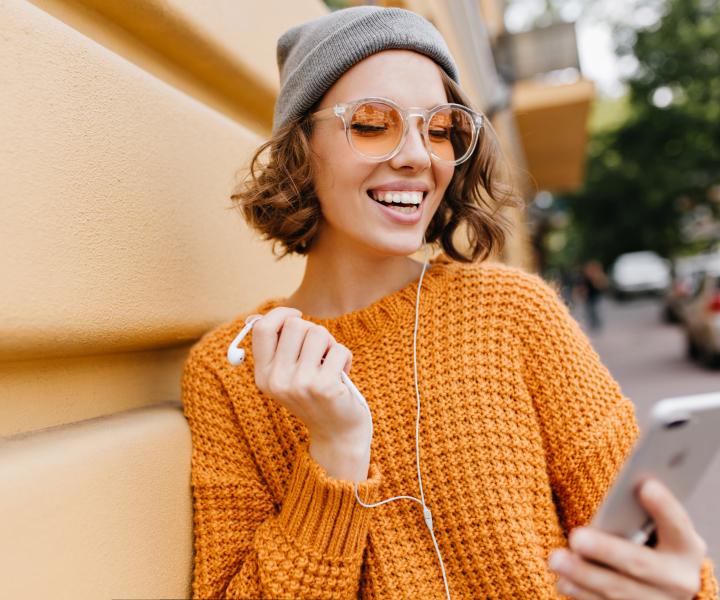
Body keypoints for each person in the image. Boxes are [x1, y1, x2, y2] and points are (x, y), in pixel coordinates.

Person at [181, 6, 717, 599]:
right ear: (301, 147)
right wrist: (334, 453)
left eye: (439, 129)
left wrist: (677, 588)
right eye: (371, 123)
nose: (418, 156)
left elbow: (651, 554)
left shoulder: (513, 311)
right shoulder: (231, 373)